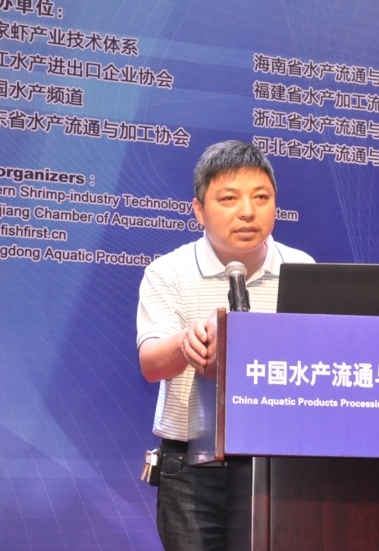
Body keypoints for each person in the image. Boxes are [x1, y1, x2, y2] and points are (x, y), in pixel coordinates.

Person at [137, 140, 313, 551]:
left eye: (261, 197)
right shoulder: (168, 271)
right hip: (192, 471)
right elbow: (151, 365)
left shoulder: (302, 269)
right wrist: (185, 344)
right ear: (199, 210)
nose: (248, 211)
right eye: (229, 198)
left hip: (282, 467)